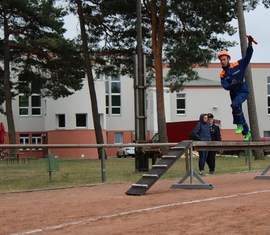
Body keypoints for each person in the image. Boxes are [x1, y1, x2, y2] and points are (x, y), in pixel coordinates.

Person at [218, 35, 254, 141]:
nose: (222, 61)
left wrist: (250, 44)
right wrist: (232, 85)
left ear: (228, 59)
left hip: (242, 89)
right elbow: (226, 87)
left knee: (235, 104)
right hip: (233, 92)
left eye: (224, 59)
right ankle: (246, 132)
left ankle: (239, 125)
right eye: (221, 60)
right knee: (236, 109)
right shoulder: (222, 74)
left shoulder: (238, 64)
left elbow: (248, 56)